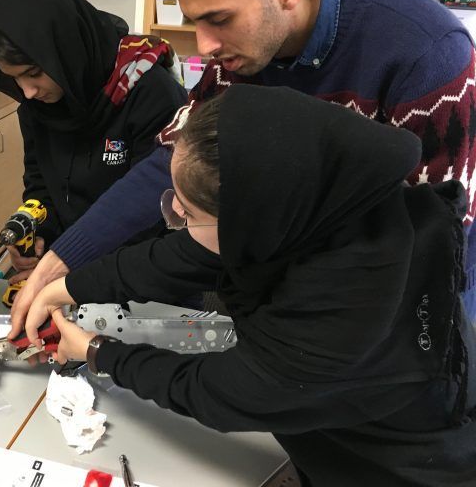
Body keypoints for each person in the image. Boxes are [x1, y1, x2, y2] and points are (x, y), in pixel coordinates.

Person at [8, 0, 476, 338]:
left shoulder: (425, 52)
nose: (205, 45)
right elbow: (172, 158)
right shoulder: (240, 55)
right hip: (297, 279)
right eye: (193, 21)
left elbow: (431, 233)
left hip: (412, 304)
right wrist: (62, 260)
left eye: (219, 20)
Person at [25, 84, 476, 486]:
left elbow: (214, 392)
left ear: (246, 221)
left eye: (186, 214)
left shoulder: (342, 310)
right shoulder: (316, 203)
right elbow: (182, 255)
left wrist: (97, 351)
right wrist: (65, 288)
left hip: (398, 462)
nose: (176, 225)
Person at [0, 0, 186, 281]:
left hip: (145, 270)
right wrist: (38, 237)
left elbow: (154, 212)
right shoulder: (36, 104)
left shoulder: (151, 93)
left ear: (66, 52)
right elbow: (40, 184)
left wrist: (71, 270)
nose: (28, 91)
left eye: (33, 74)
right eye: (14, 79)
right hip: (71, 266)